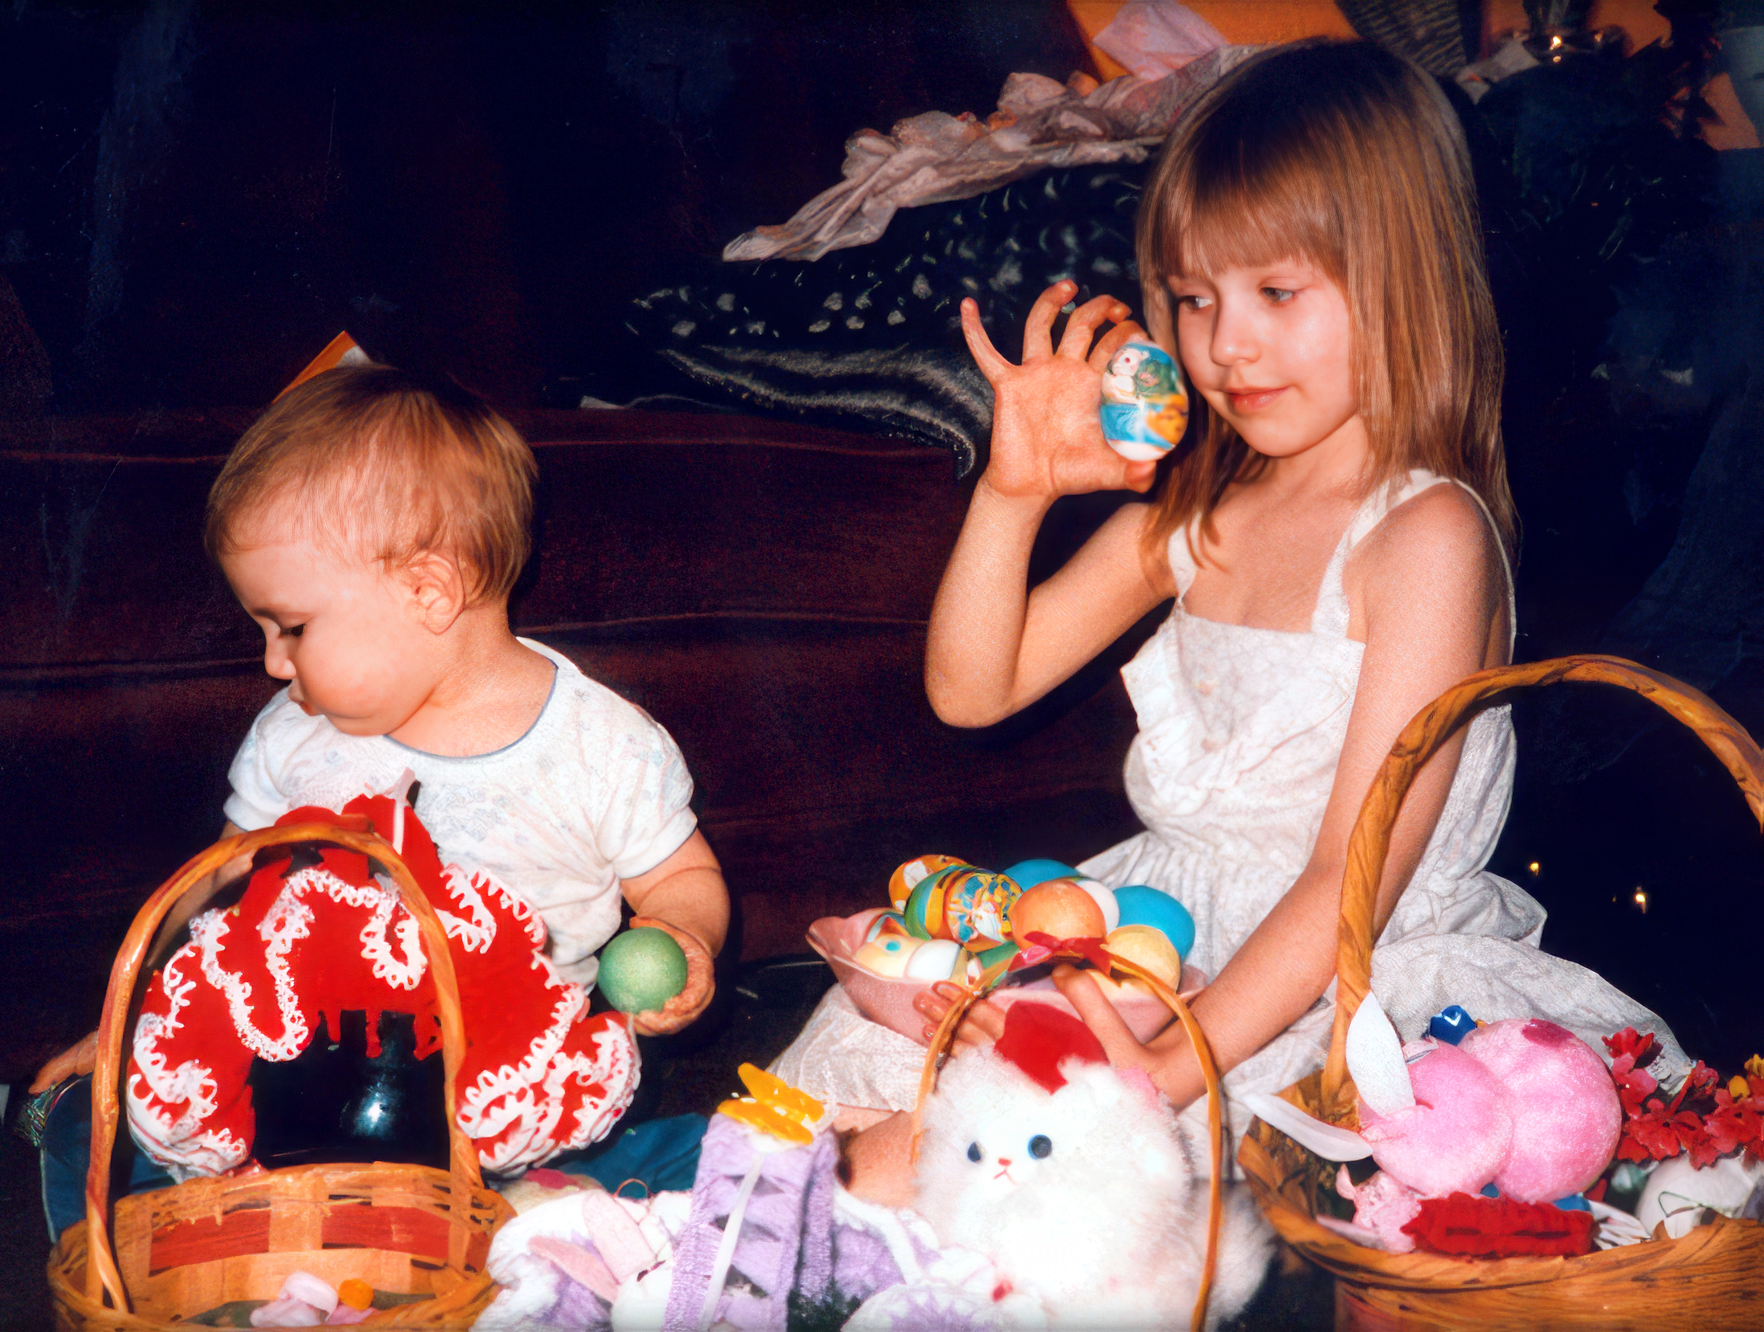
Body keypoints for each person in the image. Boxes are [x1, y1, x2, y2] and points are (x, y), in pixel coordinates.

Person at [775, 41, 1687, 1148]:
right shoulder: (1197, 517)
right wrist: (1010, 496)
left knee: (1034, 1168)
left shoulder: (1425, 537)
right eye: (1197, 298)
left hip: (1324, 974)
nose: (1226, 345)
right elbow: (974, 689)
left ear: (1408, 281)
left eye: (1276, 292)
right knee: (871, 1089)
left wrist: (1163, 1069)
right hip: (1149, 941)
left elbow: (1347, 875)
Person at [33, 364, 729, 1102]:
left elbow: (681, 878)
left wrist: (688, 938)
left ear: (427, 592)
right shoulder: (294, 738)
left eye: (291, 627)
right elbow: (218, 888)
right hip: (311, 1064)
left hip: (512, 1074)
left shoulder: (602, 746)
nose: (273, 663)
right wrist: (134, 1011)